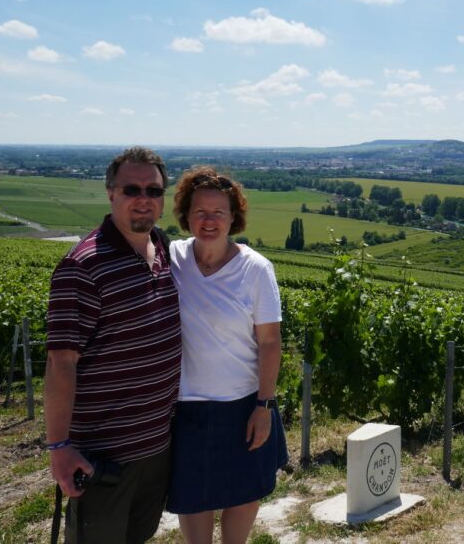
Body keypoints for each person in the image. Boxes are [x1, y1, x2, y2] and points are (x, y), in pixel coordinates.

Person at [44, 146, 182, 544]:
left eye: (154, 191)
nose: (144, 199)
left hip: (157, 446)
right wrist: (59, 447)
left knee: (139, 536)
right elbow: (60, 364)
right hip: (105, 455)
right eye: (132, 189)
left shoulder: (164, 249)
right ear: (111, 193)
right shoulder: (83, 266)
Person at [166, 166, 288, 544]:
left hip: (243, 406)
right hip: (186, 408)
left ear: (234, 218)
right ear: (186, 215)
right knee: (193, 502)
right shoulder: (170, 258)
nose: (209, 220)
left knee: (242, 495)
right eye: (200, 211)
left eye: (219, 212)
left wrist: (264, 406)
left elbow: (269, 342)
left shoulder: (255, 270)